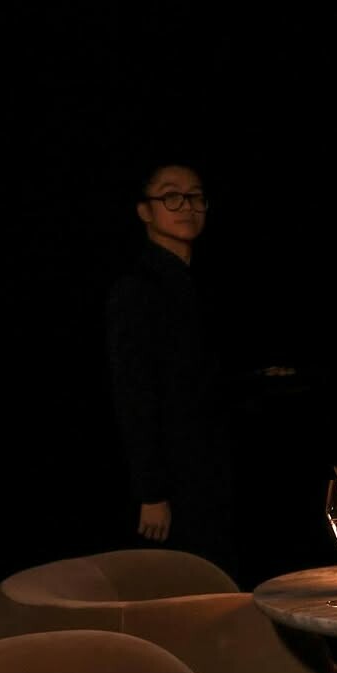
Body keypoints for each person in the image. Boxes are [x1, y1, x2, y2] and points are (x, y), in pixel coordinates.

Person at [105, 160, 236, 577]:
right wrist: (151, 492)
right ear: (145, 210)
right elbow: (134, 394)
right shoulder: (136, 289)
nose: (187, 206)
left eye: (195, 197)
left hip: (212, 471)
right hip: (174, 479)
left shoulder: (203, 283)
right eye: (172, 197)